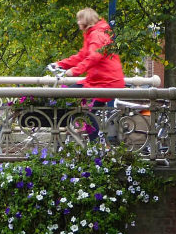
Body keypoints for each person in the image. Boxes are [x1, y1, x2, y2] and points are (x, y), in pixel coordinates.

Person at [49, 7, 124, 139]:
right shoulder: (92, 34)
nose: (77, 22)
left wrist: (75, 71)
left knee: (80, 107)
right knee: (74, 102)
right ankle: (85, 135)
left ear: (86, 20)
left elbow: (95, 57)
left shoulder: (97, 35)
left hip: (106, 83)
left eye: (79, 19)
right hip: (98, 81)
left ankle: (93, 146)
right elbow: (82, 56)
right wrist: (61, 64)